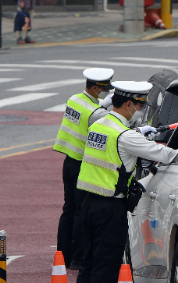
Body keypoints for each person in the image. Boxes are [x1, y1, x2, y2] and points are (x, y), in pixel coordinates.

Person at [72, 81, 178, 283]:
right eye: (140, 105)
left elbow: (119, 145)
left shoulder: (100, 125)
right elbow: (165, 155)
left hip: (86, 204)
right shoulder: (126, 136)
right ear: (129, 104)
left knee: (88, 266)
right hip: (109, 208)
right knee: (105, 269)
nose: (141, 110)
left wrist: (139, 132)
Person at [54, 68, 115, 271]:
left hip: (69, 160)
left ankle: (63, 254)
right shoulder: (94, 112)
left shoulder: (73, 100)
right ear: (96, 88)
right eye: (104, 89)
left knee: (68, 209)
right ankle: (78, 258)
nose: (105, 93)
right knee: (81, 212)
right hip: (82, 165)